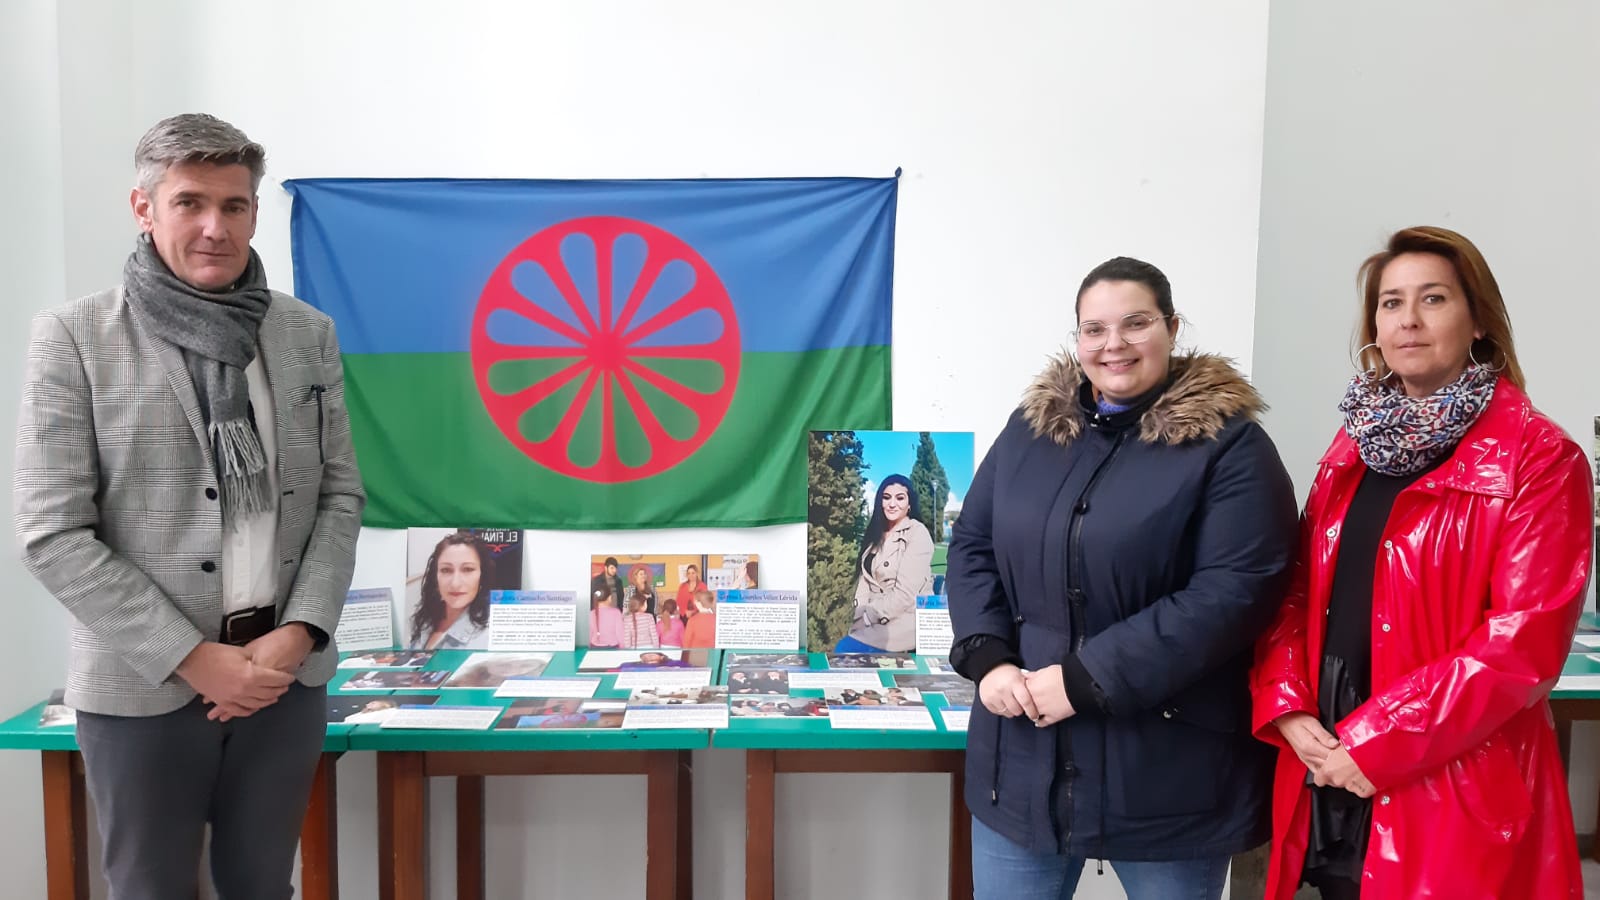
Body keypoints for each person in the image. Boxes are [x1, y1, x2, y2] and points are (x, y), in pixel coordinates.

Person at [13, 113, 365, 899]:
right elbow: (52, 533)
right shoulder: (74, 338)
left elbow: (339, 495)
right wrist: (192, 657)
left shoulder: (305, 333)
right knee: (151, 888)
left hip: (281, 681)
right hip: (146, 685)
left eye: (235, 206)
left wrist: (299, 634)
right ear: (144, 208)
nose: (215, 227)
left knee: (262, 886)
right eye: (190, 203)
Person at [1250, 227, 1591, 899]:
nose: (1407, 319)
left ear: (1479, 320)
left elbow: (1522, 644)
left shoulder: (1541, 457)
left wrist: (1375, 743)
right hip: (1328, 771)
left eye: (1432, 299)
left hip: (1450, 787)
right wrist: (1287, 706)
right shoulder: (1353, 444)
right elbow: (1294, 589)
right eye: (1389, 302)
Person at [947, 256, 1297, 900]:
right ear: (1076, 337)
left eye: (1136, 323)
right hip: (1023, 763)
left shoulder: (1231, 448)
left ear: (1171, 325)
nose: (1114, 345)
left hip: (1169, 779)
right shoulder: (1030, 433)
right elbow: (972, 545)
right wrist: (988, 656)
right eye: (1094, 329)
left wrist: (1086, 680)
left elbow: (1234, 591)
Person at [835, 474, 935, 653]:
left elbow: (905, 595)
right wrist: (859, 616)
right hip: (872, 620)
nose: (892, 504)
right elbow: (865, 582)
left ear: (909, 504)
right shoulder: (875, 535)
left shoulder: (917, 533)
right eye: (886, 497)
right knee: (844, 650)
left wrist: (868, 616)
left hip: (903, 620)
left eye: (900, 498)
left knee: (845, 649)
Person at [408, 531, 492, 650]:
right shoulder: (424, 622)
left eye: (467, 569)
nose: (455, 583)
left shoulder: (490, 637)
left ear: (482, 576)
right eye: (446, 570)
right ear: (435, 576)